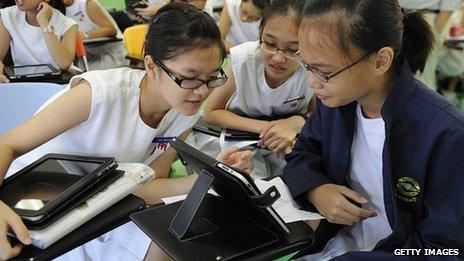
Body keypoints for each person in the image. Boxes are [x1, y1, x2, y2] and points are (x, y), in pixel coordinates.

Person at [0, 3, 252, 260]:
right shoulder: (99, 94)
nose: (202, 91)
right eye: (189, 77)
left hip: (96, 205)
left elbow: (148, 184)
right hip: (33, 203)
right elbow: (7, 144)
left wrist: (211, 175)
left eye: (212, 77)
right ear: (151, 66)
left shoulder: (183, 111)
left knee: (171, 245)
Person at [282, 0, 464, 259]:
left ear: (381, 61)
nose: (312, 83)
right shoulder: (336, 104)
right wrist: (317, 190)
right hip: (332, 244)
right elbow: (303, 154)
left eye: (324, 72)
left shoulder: (446, 134)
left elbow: (444, 249)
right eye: (306, 64)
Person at [201, 0, 313, 179]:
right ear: (259, 34)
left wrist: (295, 122)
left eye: (293, 50)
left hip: (285, 145)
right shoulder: (244, 60)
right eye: (269, 43)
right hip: (237, 140)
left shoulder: (311, 69)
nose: (278, 58)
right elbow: (211, 113)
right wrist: (268, 128)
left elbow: (318, 115)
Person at [0, 0, 78, 83]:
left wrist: (44, 22)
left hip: (59, 81)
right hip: (23, 80)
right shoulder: (8, 16)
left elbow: (64, 64)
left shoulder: (68, 24)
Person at [399, 0, 463, 90]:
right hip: (396, 14)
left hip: (428, 17)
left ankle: (423, 103)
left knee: (423, 75)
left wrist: (436, 30)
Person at [63, 0, 128, 70]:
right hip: (87, 54)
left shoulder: (88, 3)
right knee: (68, 70)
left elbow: (111, 30)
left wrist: (84, 35)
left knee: (82, 75)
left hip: (110, 53)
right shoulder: (58, 9)